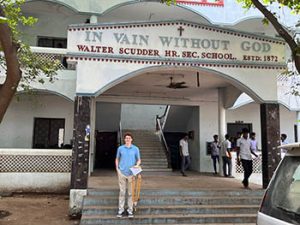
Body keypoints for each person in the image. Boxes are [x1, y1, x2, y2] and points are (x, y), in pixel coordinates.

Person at [115, 133, 141, 218]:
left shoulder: (135, 149)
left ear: (131, 139)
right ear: (124, 139)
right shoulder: (120, 148)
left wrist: (137, 165)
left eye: (129, 138)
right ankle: (121, 210)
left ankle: (130, 210)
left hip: (131, 174)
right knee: (122, 192)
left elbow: (139, 160)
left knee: (130, 193)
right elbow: (117, 158)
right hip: (122, 172)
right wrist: (117, 169)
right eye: (126, 138)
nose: (127, 139)